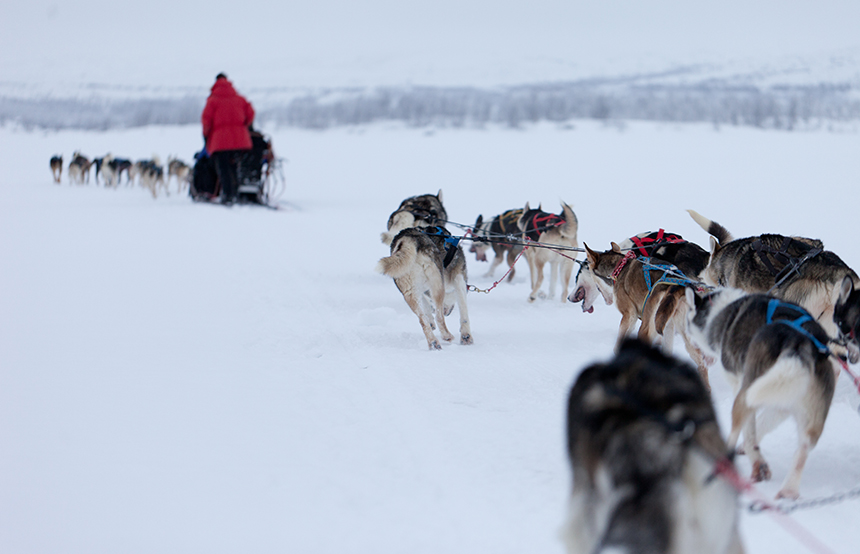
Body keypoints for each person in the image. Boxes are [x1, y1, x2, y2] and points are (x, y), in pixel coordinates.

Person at [201, 73, 255, 205]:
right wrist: (244, 126)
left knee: (223, 168)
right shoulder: (239, 98)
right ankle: (236, 193)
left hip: (220, 141)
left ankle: (228, 195)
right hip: (240, 140)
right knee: (234, 166)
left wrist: (206, 136)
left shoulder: (212, 100)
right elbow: (251, 113)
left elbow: (206, 120)